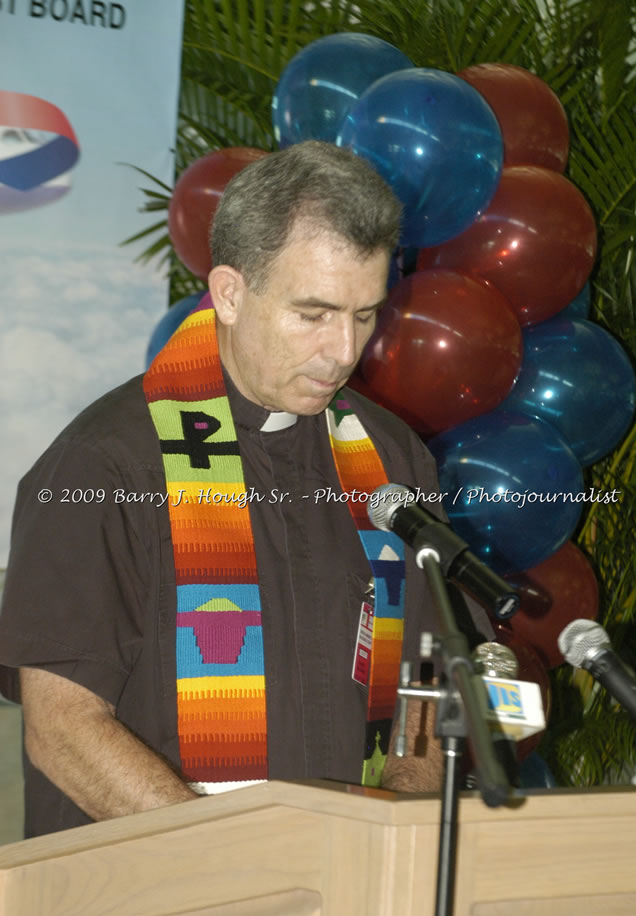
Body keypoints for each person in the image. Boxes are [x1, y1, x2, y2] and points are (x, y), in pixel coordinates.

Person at [0, 142, 490, 837]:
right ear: (230, 292)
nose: (344, 350)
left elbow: (423, 685)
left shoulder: (389, 455)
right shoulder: (104, 466)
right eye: (313, 313)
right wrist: (235, 868)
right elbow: (64, 729)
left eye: (363, 314)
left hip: (351, 886)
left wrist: (394, 829)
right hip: (154, 900)